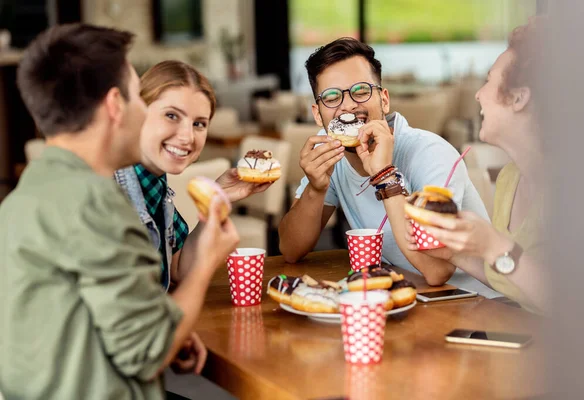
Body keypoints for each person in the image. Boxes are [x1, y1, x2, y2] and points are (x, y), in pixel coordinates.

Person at [0, 23, 239, 399]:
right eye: (138, 99)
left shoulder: (26, 194)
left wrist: (161, 325)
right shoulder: (96, 203)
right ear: (115, 106)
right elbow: (148, 353)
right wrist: (207, 259)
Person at [278, 37, 494, 296]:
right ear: (317, 114)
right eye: (332, 97)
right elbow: (290, 250)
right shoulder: (332, 159)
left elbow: (437, 271)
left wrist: (384, 175)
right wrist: (315, 189)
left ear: (384, 100)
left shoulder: (430, 153)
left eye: (360, 91)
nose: (347, 106)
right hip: (401, 296)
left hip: (470, 306)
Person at [404, 19, 548, 314]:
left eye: (489, 81)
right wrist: (453, 251)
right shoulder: (511, 178)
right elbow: (512, 278)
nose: (478, 94)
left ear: (520, 98)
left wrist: (494, 245)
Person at [115, 60, 270, 291]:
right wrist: (209, 259)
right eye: (172, 116)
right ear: (138, 111)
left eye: (199, 123)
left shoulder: (156, 183)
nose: (188, 137)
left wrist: (216, 202)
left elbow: (178, 269)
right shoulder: (109, 190)